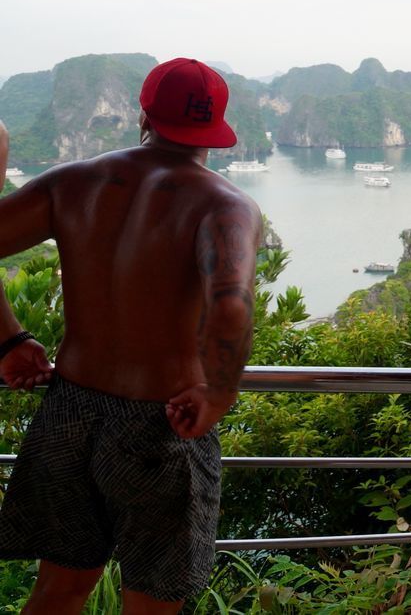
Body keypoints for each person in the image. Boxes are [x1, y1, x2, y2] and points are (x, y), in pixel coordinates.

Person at [0, 58, 261, 613]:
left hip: (69, 407)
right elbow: (232, 306)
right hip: (160, 424)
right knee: (153, 604)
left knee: (59, 590)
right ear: (217, 127)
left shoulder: (72, 182)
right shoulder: (225, 206)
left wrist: (10, 339)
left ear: (144, 115)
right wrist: (218, 393)